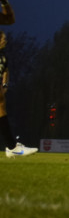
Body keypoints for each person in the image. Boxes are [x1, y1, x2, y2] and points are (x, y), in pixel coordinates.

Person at [1, 9, 38, 158]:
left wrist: (4, 1)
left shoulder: (3, 58)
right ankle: (11, 146)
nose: (4, 40)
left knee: (1, 103)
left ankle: (11, 146)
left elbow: (10, 19)